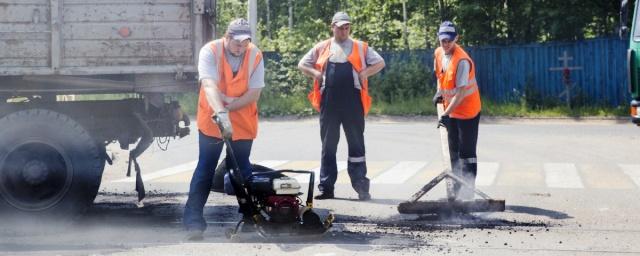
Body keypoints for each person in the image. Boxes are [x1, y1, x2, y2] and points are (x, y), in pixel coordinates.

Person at [183, 18, 264, 240]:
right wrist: (221, 113)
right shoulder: (210, 51)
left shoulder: (254, 54)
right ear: (226, 37)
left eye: (245, 42)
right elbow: (208, 85)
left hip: (242, 119)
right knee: (205, 169)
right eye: (237, 42)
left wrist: (229, 107)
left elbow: (254, 93)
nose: (241, 47)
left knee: (242, 170)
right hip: (213, 120)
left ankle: (250, 219)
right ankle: (193, 222)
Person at [298, 12, 385, 201]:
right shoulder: (322, 47)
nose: (344, 31)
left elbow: (380, 62)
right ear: (333, 27)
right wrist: (316, 73)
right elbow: (302, 64)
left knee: (356, 144)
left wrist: (365, 73)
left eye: (347, 27)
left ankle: (361, 186)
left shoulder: (360, 47)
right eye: (340, 27)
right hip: (329, 100)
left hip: (353, 101)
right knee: (328, 145)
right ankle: (326, 188)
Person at [432, 21, 482, 200]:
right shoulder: (438, 53)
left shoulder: (462, 61)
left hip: (467, 112)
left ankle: (468, 195)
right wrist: (439, 93)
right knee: (452, 151)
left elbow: (460, 93)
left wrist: (445, 114)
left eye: (449, 41)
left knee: (466, 153)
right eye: (442, 40)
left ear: (456, 39)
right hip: (450, 110)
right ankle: (455, 191)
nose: (445, 44)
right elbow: (440, 76)